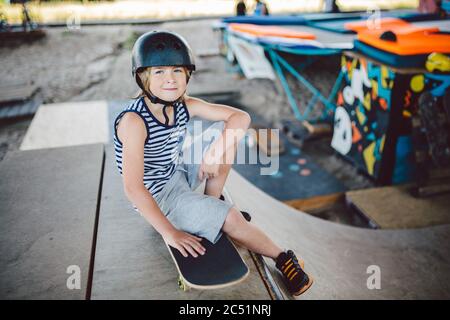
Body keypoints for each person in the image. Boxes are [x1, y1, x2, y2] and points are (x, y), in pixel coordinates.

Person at [113, 31, 313, 296]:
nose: (170, 79)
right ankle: (282, 257)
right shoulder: (134, 122)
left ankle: (212, 202)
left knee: (228, 137)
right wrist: (170, 233)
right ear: (143, 76)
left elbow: (240, 118)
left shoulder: (183, 105)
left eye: (176, 70)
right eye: (159, 71)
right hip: (159, 197)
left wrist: (216, 152)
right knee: (231, 216)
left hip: (177, 172)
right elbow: (133, 188)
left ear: (187, 75)